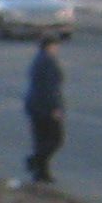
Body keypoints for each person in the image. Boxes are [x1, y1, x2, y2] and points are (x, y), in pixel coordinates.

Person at [23, 30, 67, 184]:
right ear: (50, 46)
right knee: (55, 139)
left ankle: (42, 173)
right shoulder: (47, 61)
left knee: (41, 140)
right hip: (44, 107)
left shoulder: (39, 59)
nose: (57, 48)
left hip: (34, 105)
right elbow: (49, 87)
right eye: (56, 45)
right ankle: (35, 161)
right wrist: (55, 108)